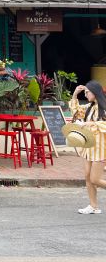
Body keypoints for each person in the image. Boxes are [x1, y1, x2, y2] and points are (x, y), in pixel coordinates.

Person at [69, 80, 106, 214]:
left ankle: (93, 205)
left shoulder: (104, 108)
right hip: (89, 147)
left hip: (101, 149)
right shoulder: (89, 107)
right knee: (87, 177)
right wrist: (74, 95)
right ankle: (93, 206)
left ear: (95, 92)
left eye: (87, 92)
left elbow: (103, 126)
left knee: (95, 179)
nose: (85, 95)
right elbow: (75, 112)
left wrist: (88, 124)